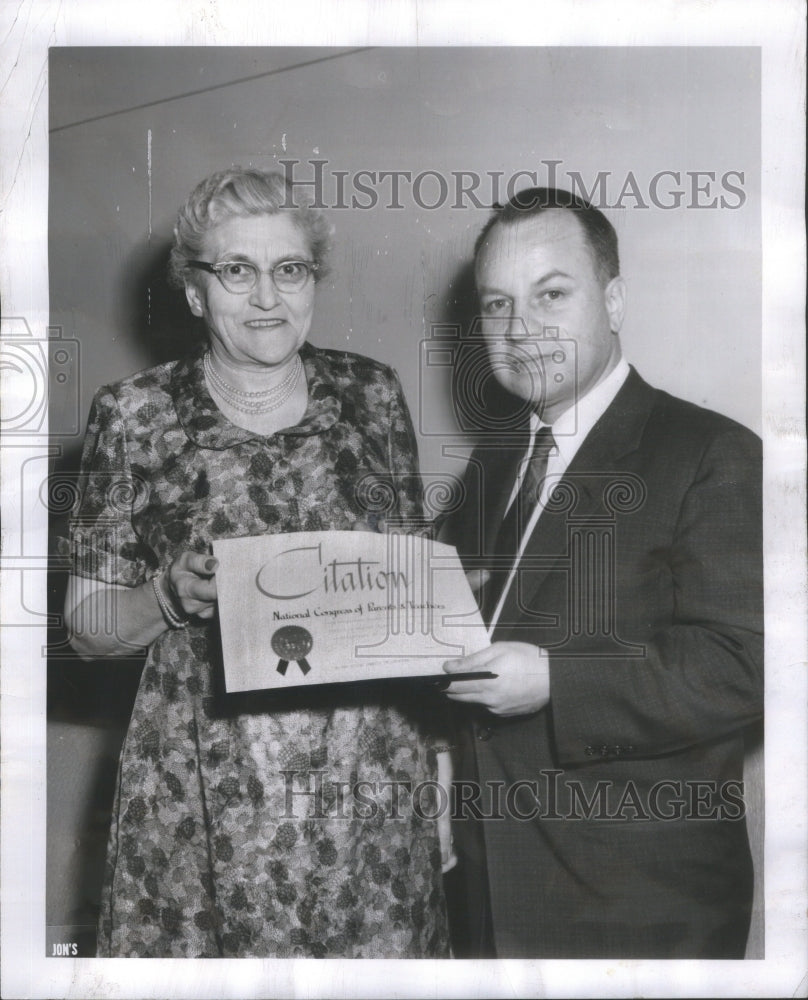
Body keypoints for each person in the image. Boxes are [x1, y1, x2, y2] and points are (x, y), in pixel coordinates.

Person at [64, 167, 452, 958]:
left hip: (366, 777)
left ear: (313, 281)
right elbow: (84, 630)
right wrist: (165, 598)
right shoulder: (134, 414)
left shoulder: (372, 395)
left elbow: (419, 605)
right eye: (237, 270)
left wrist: (441, 760)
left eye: (290, 269)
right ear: (195, 291)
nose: (268, 297)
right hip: (202, 786)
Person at [440, 188, 763, 959]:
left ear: (613, 299)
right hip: (491, 894)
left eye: (552, 295)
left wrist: (558, 681)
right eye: (497, 306)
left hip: (638, 905)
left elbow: (744, 664)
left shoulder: (712, 453)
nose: (522, 331)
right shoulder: (490, 476)